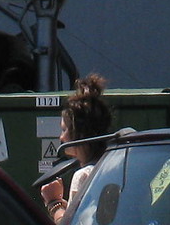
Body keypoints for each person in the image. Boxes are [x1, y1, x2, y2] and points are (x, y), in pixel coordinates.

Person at [40, 74, 117, 225]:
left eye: (64, 130)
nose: (61, 137)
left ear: (78, 133)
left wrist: (54, 203)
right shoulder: (113, 166)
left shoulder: (83, 176)